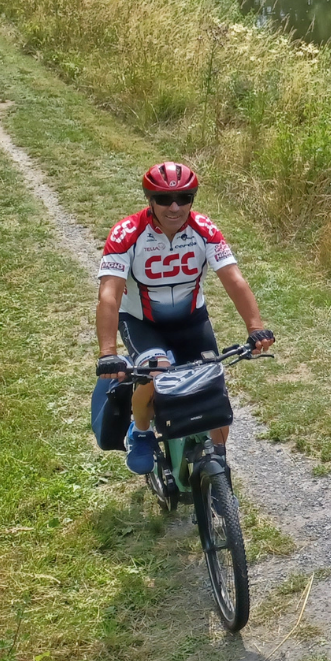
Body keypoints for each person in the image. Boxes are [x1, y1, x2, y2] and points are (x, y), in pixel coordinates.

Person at [95, 162, 275, 475]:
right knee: (155, 372)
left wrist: (256, 328)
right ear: (150, 200)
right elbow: (109, 295)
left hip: (191, 321)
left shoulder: (204, 230)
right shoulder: (127, 233)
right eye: (164, 199)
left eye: (184, 198)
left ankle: (219, 466)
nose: (175, 207)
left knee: (212, 385)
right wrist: (108, 353)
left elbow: (234, 280)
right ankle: (140, 432)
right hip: (142, 323)